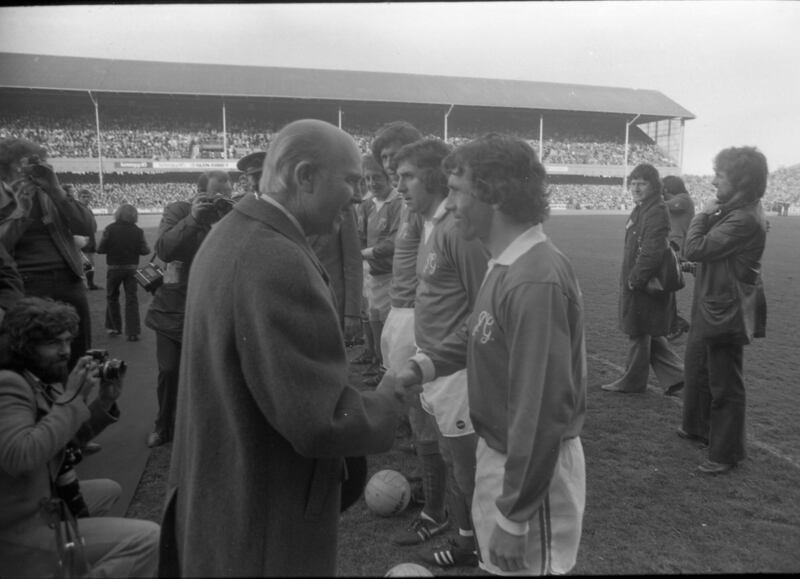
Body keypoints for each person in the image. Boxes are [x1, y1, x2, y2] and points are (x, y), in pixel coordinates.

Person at [158, 119, 404, 577]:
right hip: (260, 527)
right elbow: (318, 421)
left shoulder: (236, 231)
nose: (357, 196)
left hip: (222, 505)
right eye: (350, 181)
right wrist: (390, 396)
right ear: (304, 176)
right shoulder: (274, 257)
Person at [393, 134, 586, 575]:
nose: (451, 203)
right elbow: (479, 333)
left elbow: (538, 411)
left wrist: (514, 518)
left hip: (530, 475)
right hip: (503, 457)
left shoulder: (534, 278)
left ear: (493, 193)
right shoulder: (507, 263)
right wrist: (423, 365)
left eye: (458, 190)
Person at [0, 297, 159, 577]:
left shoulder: (36, 378)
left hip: (40, 498)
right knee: (148, 538)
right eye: (53, 343)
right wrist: (73, 397)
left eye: (67, 341)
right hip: (17, 525)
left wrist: (104, 402)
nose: (65, 351)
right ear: (24, 345)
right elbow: (20, 456)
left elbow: (64, 443)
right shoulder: (9, 383)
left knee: (108, 489)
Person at [392, 137, 489, 569]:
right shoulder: (430, 225)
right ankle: (467, 534)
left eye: (407, 176)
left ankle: (474, 545)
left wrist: (443, 360)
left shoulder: (456, 230)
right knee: (452, 459)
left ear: (433, 176)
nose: (400, 187)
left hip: (457, 372)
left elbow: (484, 305)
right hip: (435, 365)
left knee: (466, 468)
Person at [680, 146, 768, 475]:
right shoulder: (738, 210)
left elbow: (696, 247)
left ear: (741, 181)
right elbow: (717, 258)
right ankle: (699, 429)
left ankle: (726, 453)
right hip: (716, 302)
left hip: (725, 310)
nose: (713, 180)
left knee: (725, 383)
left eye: (720, 174)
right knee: (701, 370)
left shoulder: (743, 217)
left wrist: (702, 214)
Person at [143, 170, 233, 448]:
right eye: (215, 196)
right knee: (169, 370)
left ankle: (207, 425)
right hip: (173, 307)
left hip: (213, 308)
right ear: (199, 192)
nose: (220, 201)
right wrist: (194, 219)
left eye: (225, 196)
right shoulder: (178, 211)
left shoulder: (231, 214)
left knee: (212, 372)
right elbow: (165, 249)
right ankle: (164, 424)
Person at [0, 138, 96, 368]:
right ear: (5, 170)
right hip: (26, 285)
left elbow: (87, 227)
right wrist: (20, 212)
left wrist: (56, 190)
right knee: (35, 359)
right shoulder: (4, 199)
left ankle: (78, 401)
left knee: (77, 355)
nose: (31, 170)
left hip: (69, 281)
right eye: (22, 165)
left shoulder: (53, 192)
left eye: (38, 163)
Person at [601, 163, 685, 396]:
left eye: (642, 183)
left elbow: (652, 250)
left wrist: (635, 279)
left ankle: (632, 382)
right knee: (647, 330)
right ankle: (679, 376)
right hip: (639, 278)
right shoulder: (643, 208)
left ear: (654, 185)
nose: (636, 188)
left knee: (638, 330)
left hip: (644, 282)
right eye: (634, 183)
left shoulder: (655, 210)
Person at [357, 153, 402, 385]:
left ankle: (386, 368)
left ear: (388, 177)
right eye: (367, 179)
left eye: (377, 178)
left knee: (386, 323)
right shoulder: (367, 204)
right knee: (372, 316)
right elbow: (361, 235)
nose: (372, 184)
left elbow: (394, 241)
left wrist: (366, 253)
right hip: (371, 271)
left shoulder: (397, 203)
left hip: (389, 273)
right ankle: (375, 358)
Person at [96, 203, 151, 342]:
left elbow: (100, 249)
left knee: (112, 297)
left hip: (114, 268)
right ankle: (133, 332)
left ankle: (114, 327)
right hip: (132, 268)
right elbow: (145, 250)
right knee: (132, 299)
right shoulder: (138, 231)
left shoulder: (109, 229)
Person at [662, 175, 695, 341]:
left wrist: (654, 197)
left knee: (666, 283)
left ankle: (675, 322)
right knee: (666, 284)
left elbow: (667, 206)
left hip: (678, 247)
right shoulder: (679, 200)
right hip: (673, 245)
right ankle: (675, 321)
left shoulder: (684, 199)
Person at [76, 188, 102, 290]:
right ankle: (83, 284)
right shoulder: (77, 209)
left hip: (90, 239)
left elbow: (93, 224)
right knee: (84, 262)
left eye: (88, 197)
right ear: (78, 198)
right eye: (83, 196)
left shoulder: (88, 209)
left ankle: (90, 283)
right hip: (82, 240)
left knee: (90, 262)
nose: (86, 199)